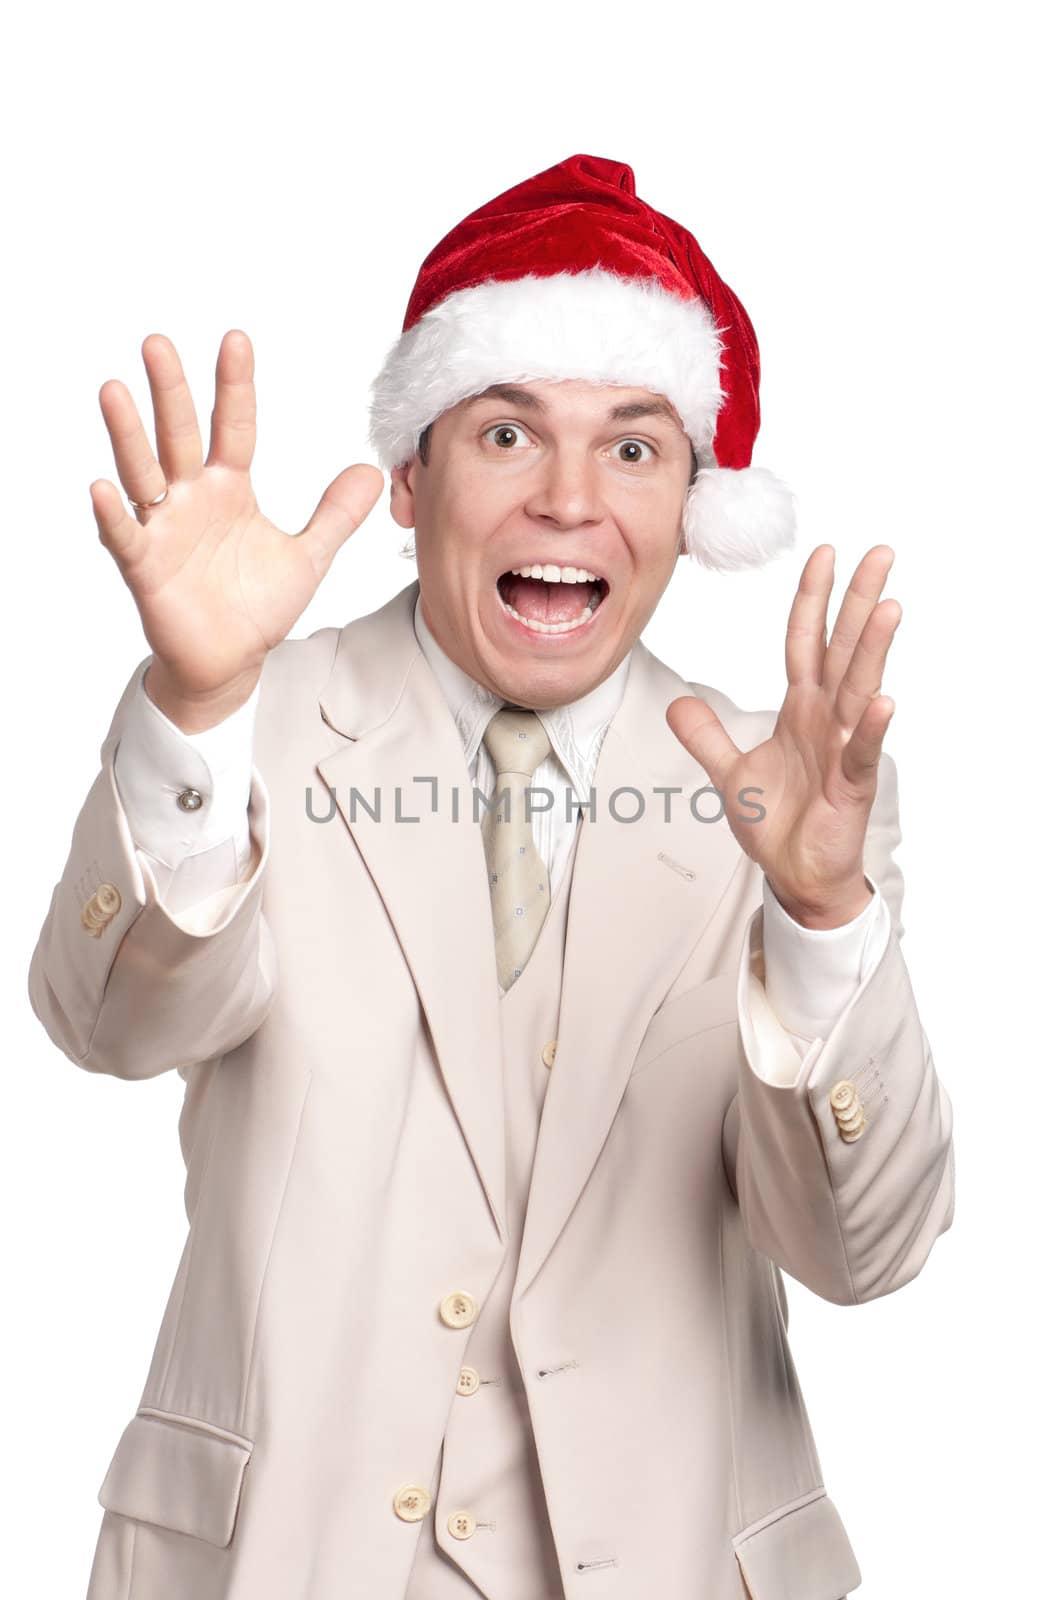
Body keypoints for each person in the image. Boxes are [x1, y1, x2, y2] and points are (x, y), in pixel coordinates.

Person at [28, 153, 955, 1600]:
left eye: (635, 448)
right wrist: (193, 710)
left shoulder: (786, 795)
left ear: (693, 509)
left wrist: (822, 920)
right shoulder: (253, 721)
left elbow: (862, 1252)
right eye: (508, 435)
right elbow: (111, 1024)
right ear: (410, 478)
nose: (571, 501)